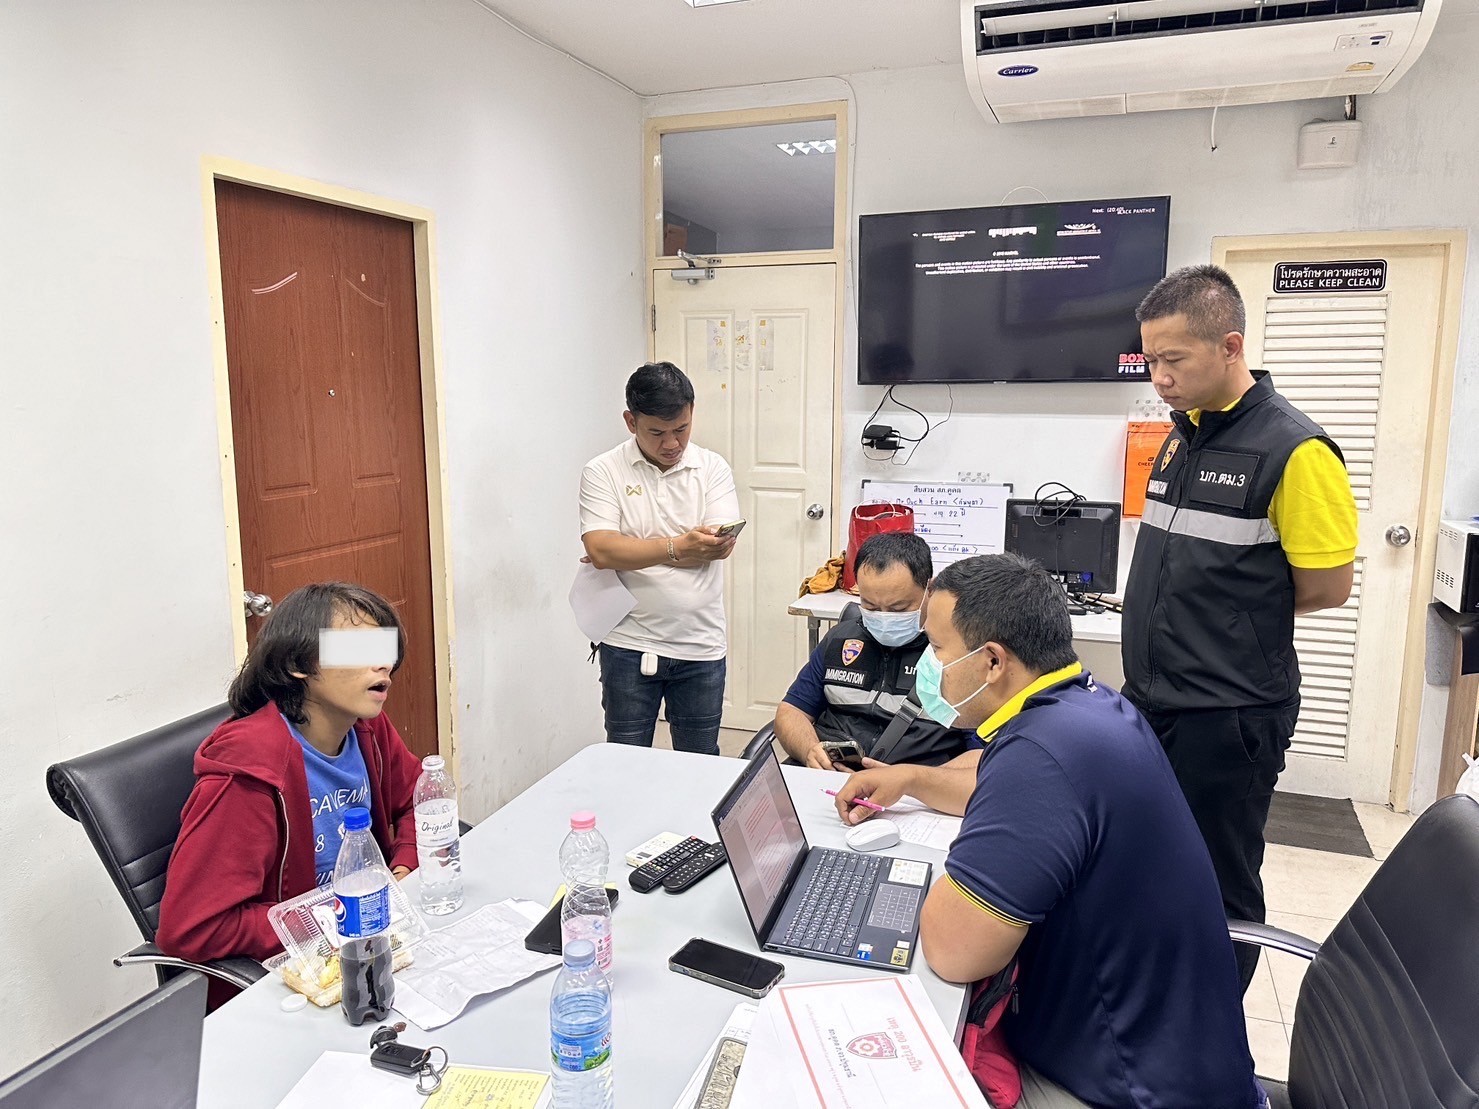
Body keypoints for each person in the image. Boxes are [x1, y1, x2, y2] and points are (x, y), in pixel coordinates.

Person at [834, 555, 1261, 1108]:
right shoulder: (1088, 707)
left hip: (1122, 1086)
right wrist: (912, 778)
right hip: (1176, 1054)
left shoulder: (1040, 756)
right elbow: (993, 786)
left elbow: (953, 951)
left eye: (937, 649)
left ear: (991, 661)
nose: (928, 667)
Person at [1123, 264, 1358, 992]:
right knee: (1151, 863)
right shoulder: (1180, 435)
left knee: (1218, 888)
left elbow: (1325, 587)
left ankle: (1212, 1037)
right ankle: (1157, 1007)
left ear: (1229, 346)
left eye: (1173, 360)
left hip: (1225, 712)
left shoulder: (1295, 450)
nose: (1158, 376)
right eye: (1150, 359)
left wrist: (1222, 620)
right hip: (1155, 699)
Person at [156, 582, 423, 1002]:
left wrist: (404, 868)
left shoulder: (366, 728)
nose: (382, 666)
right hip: (287, 987)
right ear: (299, 663)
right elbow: (191, 928)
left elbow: (419, 799)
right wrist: (329, 918)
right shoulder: (249, 773)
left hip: (367, 947)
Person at [580, 362, 738, 755]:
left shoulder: (712, 468)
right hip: (628, 644)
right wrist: (678, 547)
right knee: (626, 762)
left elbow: (717, 545)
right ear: (630, 421)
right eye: (657, 432)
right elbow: (601, 550)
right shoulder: (603, 471)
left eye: (681, 429)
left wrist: (631, 549)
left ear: (691, 414)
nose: (672, 444)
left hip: (700, 646)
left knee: (700, 767)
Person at [775, 532, 974, 769]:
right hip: (828, 777)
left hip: (912, 793)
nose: (884, 618)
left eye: (899, 608)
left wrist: (916, 783)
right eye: (870, 606)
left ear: (929, 590)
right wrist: (810, 750)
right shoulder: (840, 640)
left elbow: (983, 755)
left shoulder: (958, 654)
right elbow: (791, 711)